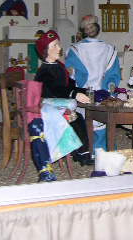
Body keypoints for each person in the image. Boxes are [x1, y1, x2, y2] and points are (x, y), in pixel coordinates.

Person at [31, 30, 93, 182]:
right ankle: (80, 152)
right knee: (76, 118)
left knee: (79, 118)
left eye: (58, 44)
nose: (59, 48)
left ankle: (82, 152)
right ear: (46, 51)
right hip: (49, 107)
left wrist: (84, 91)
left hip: (60, 103)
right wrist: (74, 94)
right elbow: (55, 90)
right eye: (55, 45)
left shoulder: (58, 66)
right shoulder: (44, 71)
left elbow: (68, 85)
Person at [65, 17, 121, 152]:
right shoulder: (109, 49)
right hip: (102, 93)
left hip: (83, 93)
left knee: (83, 120)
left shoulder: (75, 49)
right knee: (102, 122)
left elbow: (71, 75)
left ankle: (86, 149)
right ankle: (102, 148)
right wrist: (108, 89)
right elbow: (113, 75)